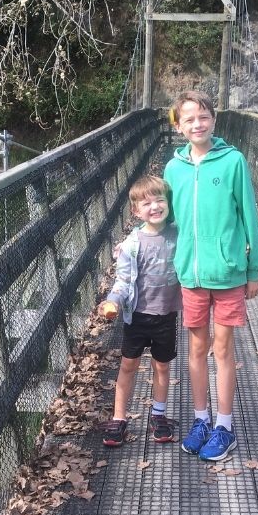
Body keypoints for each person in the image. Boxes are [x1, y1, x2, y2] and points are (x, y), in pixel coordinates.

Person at [164, 90, 258, 461]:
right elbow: (166, 218)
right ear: (179, 126)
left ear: (214, 121)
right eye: (188, 119)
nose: (197, 124)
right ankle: (200, 419)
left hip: (228, 273)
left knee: (222, 349)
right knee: (196, 349)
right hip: (190, 274)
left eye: (203, 117)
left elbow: (249, 217)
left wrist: (254, 270)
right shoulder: (173, 169)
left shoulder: (233, 161)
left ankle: (224, 426)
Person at [98, 175, 182, 447]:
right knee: (128, 365)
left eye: (160, 200)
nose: (155, 207)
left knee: (162, 366)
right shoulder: (132, 244)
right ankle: (119, 418)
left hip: (166, 315)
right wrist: (113, 300)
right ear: (136, 211)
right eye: (147, 203)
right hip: (137, 316)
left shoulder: (179, 235)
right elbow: (123, 281)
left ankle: (158, 415)